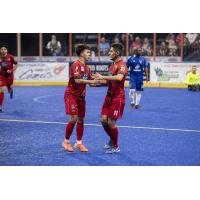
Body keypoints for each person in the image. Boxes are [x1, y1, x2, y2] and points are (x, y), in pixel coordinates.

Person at [62, 44, 99, 153]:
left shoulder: (87, 68)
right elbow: (78, 80)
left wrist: (107, 82)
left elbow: (92, 83)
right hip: (71, 95)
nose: (89, 54)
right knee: (74, 118)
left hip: (81, 97)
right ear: (82, 53)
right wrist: (91, 81)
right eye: (88, 52)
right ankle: (66, 142)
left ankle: (79, 143)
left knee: (81, 119)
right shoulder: (76, 65)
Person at [95, 43, 128, 154]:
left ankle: (115, 146)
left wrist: (102, 76)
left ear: (117, 53)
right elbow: (108, 81)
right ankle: (113, 139)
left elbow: (119, 78)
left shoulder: (122, 65)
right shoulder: (112, 65)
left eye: (111, 51)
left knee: (111, 122)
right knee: (103, 120)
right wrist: (93, 83)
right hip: (109, 97)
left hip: (117, 97)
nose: (109, 53)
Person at [0, 47, 18, 112]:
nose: (3, 50)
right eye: (2, 49)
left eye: (4, 49)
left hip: (10, 76)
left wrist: (11, 70)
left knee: (9, 90)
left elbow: (17, 64)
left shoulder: (11, 57)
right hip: (2, 76)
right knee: (2, 90)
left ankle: (11, 90)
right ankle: (0, 107)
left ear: (7, 50)